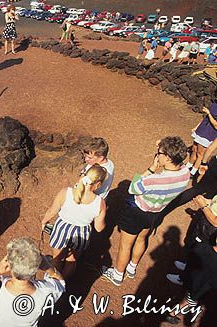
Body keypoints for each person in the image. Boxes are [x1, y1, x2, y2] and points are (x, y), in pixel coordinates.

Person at [102, 137, 190, 286]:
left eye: (159, 153)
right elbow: (177, 159)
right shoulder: (185, 173)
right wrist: (163, 146)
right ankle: (132, 267)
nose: (157, 155)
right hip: (155, 214)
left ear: (168, 158)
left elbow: (133, 188)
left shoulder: (154, 179)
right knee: (142, 238)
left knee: (125, 245)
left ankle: (117, 274)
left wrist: (151, 168)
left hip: (137, 212)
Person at [0, 237, 65, 326]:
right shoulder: (47, 290)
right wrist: (48, 267)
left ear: (9, 265)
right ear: (36, 267)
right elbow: (60, 283)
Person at [42, 165, 107, 279]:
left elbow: (52, 210)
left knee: (57, 258)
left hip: (62, 228)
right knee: (71, 261)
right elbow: (99, 228)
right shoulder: (100, 203)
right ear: (98, 184)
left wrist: (44, 221)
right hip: (81, 233)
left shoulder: (66, 192)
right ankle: (64, 283)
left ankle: (52, 281)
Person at [165, 240, 217, 325]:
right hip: (198, 289)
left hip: (190, 279)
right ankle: (171, 314)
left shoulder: (201, 247)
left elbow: (190, 260)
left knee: (187, 296)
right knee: (188, 302)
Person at [187, 103, 217, 179]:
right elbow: (205, 118)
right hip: (202, 129)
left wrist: (209, 113)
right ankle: (188, 166)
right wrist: (197, 127)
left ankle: (193, 172)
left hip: (208, 133)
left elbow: (216, 125)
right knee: (194, 150)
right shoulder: (215, 104)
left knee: (200, 154)